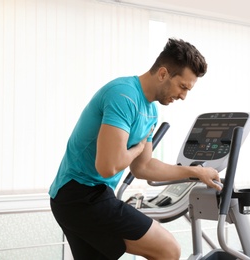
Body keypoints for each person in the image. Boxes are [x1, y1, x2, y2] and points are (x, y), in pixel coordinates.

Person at [49, 38, 222, 260]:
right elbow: (107, 166)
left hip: (84, 196)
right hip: (80, 194)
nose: (183, 96)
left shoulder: (150, 112)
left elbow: (144, 167)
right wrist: (137, 148)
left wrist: (196, 173)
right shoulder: (123, 96)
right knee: (168, 249)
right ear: (162, 74)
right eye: (182, 86)